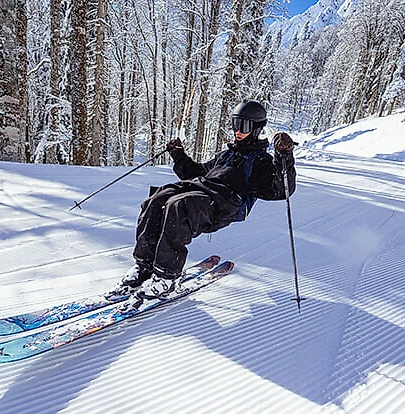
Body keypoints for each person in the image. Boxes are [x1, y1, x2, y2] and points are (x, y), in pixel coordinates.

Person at [111, 100, 297, 299]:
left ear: (257, 129)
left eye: (244, 126)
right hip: (201, 189)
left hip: (223, 204)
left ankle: (167, 277)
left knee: (178, 206)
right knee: (158, 198)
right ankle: (145, 266)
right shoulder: (227, 154)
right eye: (235, 124)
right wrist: (178, 155)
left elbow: (280, 190)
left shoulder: (261, 161)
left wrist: (284, 156)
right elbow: (197, 173)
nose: (238, 131)